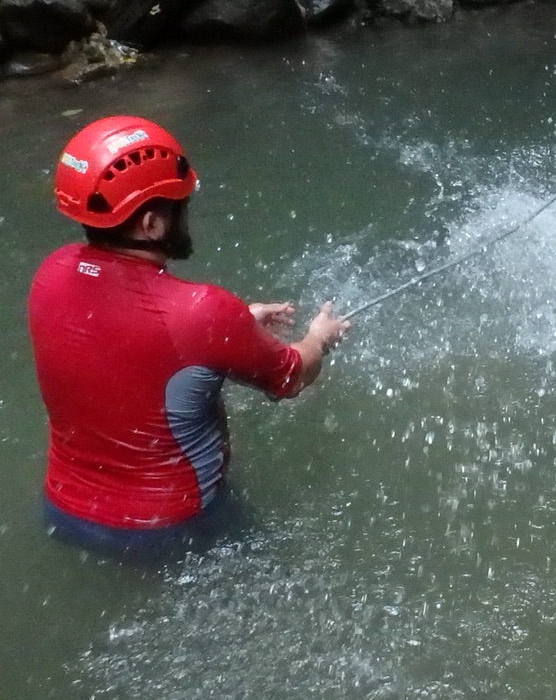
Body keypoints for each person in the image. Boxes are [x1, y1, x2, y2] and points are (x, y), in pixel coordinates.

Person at [27, 115, 350, 559]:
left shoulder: (51, 272)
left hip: (63, 515)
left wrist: (236, 323)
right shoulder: (201, 313)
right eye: (179, 204)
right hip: (169, 531)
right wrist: (320, 336)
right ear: (151, 224)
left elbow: (121, 348)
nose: (186, 215)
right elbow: (292, 375)